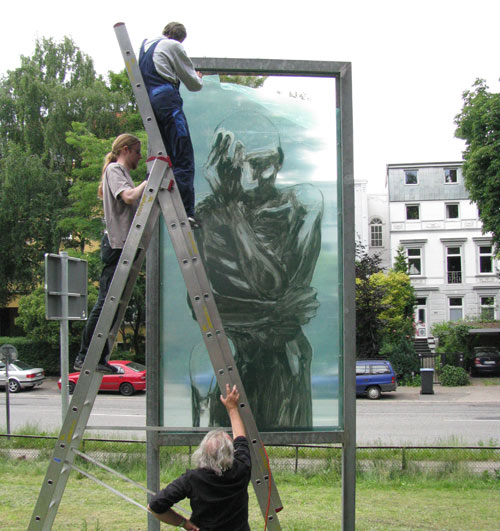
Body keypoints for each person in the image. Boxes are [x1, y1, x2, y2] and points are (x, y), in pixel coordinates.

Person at [74, 134, 147, 373]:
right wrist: (149, 182)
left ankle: (98, 357)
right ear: (125, 150)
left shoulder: (121, 172)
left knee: (112, 305)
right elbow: (127, 197)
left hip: (123, 244)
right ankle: (85, 356)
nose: (139, 156)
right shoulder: (115, 169)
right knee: (106, 302)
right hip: (117, 245)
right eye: (137, 151)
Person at [148, 384, 251, 530]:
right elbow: (240, 437)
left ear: (203, 453)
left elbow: (154, 506)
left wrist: (183, 523)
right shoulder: (242, 469)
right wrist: (232, 408)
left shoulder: (192, 479)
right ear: (231, 453)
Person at [139, 22, 203, 227]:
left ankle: (164, 203)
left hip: (150, 103)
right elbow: (194, 84)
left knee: (165, 157)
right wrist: (198, 77)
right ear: (180, 39)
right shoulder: (173, 46)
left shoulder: (146, 45)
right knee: (183, 156)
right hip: (167, 101)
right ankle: (186, 212)